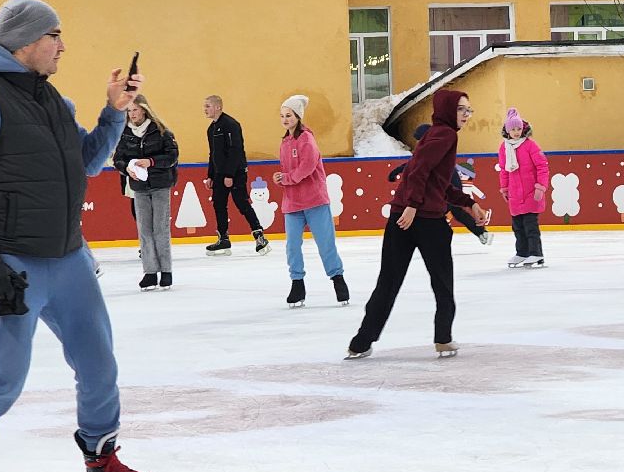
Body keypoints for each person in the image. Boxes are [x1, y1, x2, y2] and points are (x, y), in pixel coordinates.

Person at [0, 0, 161, 472]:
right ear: (25, 41)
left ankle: (102, 460)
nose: (63, 46)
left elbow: (85, 163)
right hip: (11, 260)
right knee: (4, 373)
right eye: (54, 35)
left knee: (98, 363)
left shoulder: (52, 99)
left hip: (68, 256)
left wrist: (113, 112)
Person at [347, 89, 485, 360]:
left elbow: (435, 180)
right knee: (442, 283)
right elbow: (419, 169)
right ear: (447, 110)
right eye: (461, 109)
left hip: (401, 217)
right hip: (426, 220)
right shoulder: (446, 134)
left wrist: (468, 203)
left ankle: (360, 342)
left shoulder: (434, 134)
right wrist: (413, 205)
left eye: (469, 109)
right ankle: (443, 338)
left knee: (388, 282)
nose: (466, 115)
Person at [273, 94, 348, 308]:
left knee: (326, 244)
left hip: (315, 201)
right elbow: (289, 171)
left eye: (289, 115)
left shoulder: (306, 139)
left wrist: (287, 178)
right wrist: (280, 178)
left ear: (298, 116)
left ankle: (338, 280)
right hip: (292, 203)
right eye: (282, 116)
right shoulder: (285, 142)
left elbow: (307, 166)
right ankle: (297, 284)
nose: (285, 119)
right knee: (292, 247)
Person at [112, 93, 180, 291]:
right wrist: (127, 169)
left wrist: (151, 162)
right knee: (144, 230)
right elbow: (118, 159)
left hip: (160, 184)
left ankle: (166, 271)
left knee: (160, 228)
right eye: (129, 111)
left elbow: (172, 156)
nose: (132, 114)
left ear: (144, 109)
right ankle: (150, 272)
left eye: (135, 109)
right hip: (139, 187)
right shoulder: (125, 134)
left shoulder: (161, 131)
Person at [390, 125, 492, 245]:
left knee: (434, 213)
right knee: (454, 213)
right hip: (448, 187)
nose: (418, 143)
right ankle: (480, 233)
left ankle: (433, 238)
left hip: (448, 187)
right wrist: (396, 172)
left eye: (419, 139)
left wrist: (395, 172)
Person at [202, 95, 269, 257]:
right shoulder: (211, 129)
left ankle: (259, 235)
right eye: (205, 106)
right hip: (219, 174)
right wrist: (210, 176)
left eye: (208, 106)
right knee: (218, 204)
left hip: (235, 172)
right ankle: (223, 239)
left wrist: (229, 174)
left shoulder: (231, 125)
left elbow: (235, 150)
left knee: (241, 203)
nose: (205, 109)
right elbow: (213, 154)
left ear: (218, 107)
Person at [498, 106, 549, 267]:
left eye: (519, 129)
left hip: (531, 192)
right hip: (515, 194)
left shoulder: (530, 145)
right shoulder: (504, 148)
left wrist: (541, 187)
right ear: (507, 130)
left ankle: (536, 253)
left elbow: (542, 166)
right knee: (518, 227)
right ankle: (522, 253)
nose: (516, 132)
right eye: (513, 129)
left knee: (530, 226)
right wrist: (504, 188)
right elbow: (504, 170)